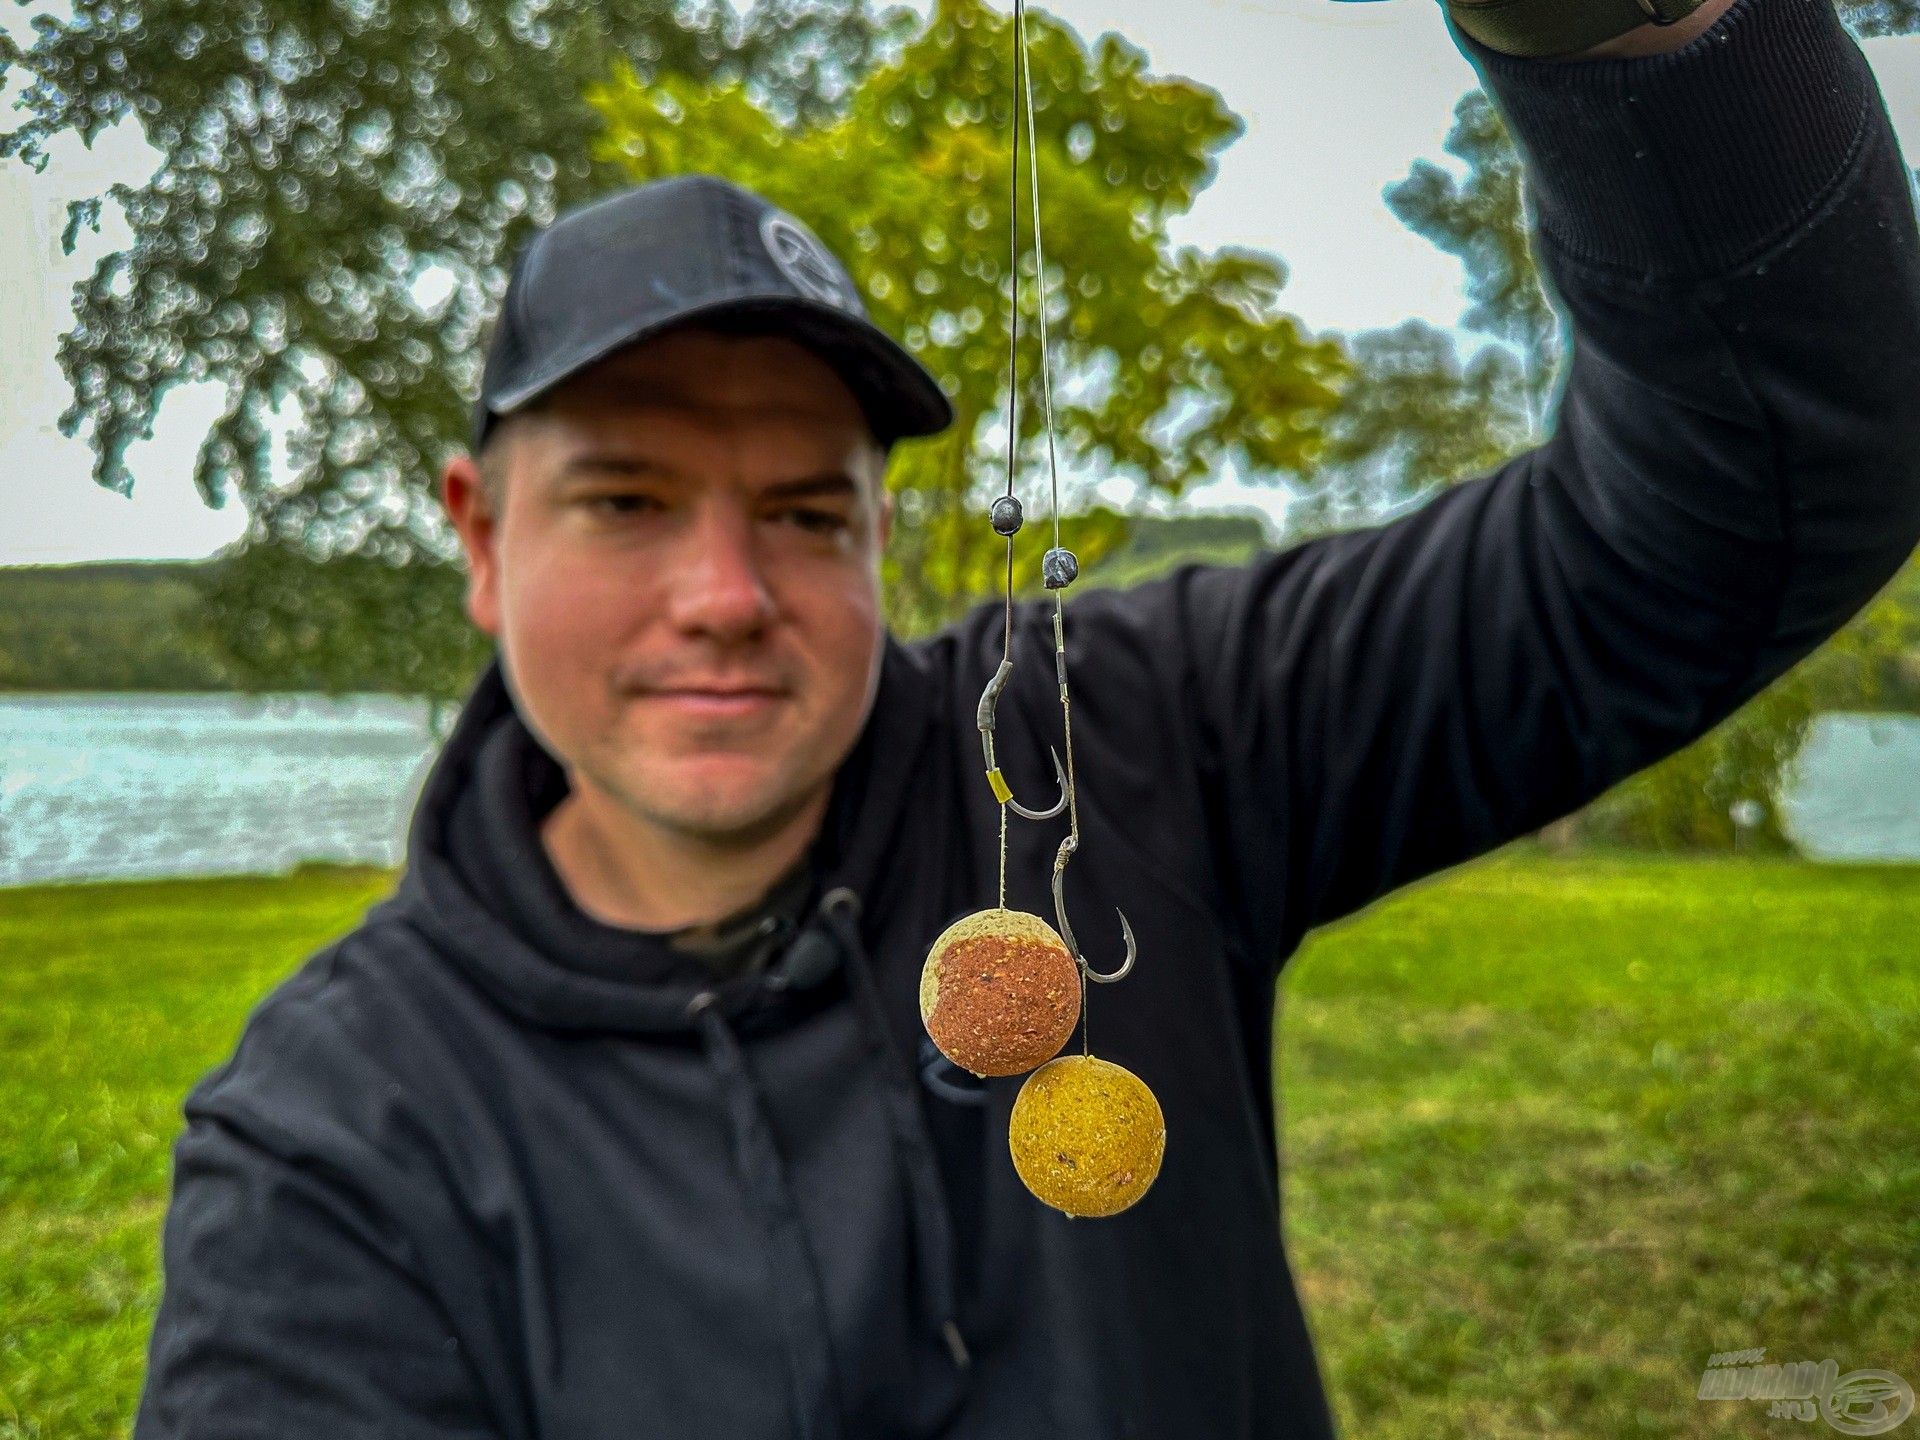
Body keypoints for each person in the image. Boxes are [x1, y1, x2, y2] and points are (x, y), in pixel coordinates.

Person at [132, 0, 1920, 1433]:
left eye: (808, 512)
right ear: (476, 533)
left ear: (882, 531)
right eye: (624, 500)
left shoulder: (1135, 730)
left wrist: (1624, 35)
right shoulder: (330, 1137)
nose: (728, 595)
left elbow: (1725, 527)